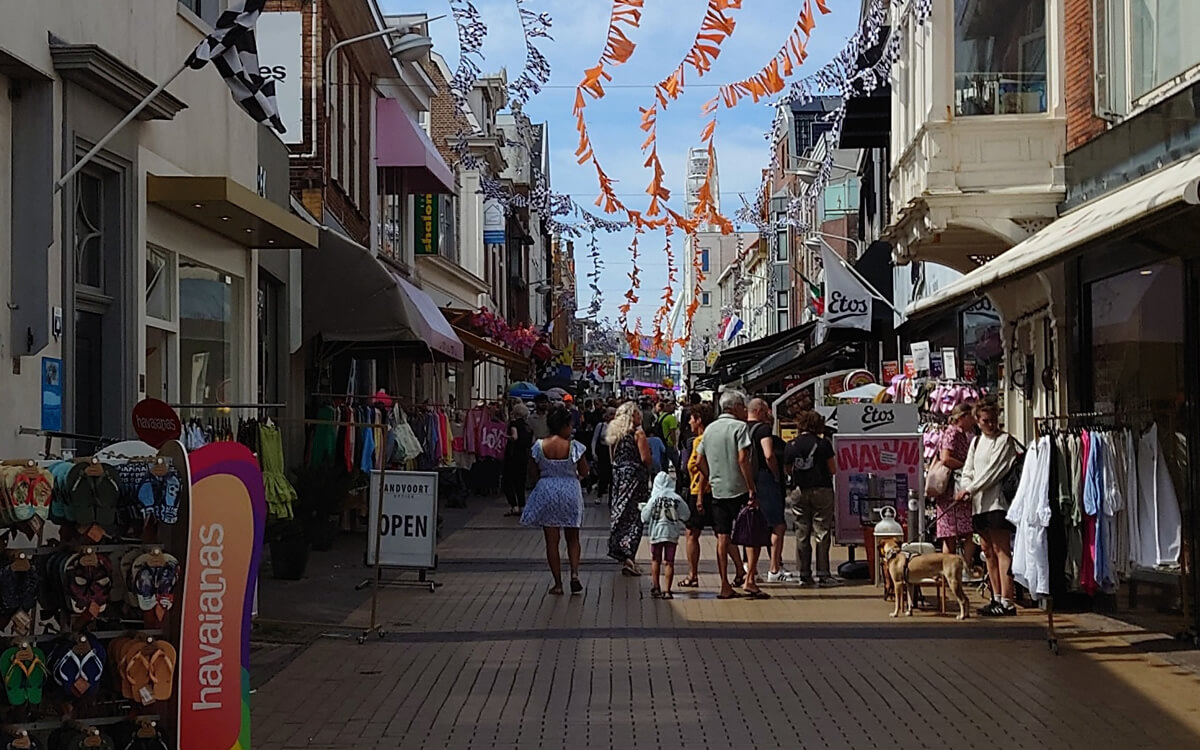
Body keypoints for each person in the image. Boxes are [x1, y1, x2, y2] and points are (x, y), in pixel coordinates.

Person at [695, 390, 769, 600]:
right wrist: (751, 487)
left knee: (723, 537)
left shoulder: (709, 430)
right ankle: (750, 580)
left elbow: (699, 461)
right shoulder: (739, 427)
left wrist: (712, 477)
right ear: (735, 408)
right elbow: (742, 458)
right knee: (752, 533)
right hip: (740, 490)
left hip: (718, 491)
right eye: (743, 407)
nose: (745, 410)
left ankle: (724, 585)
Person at [956, 401, 1021, 616]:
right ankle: (995, 596)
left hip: (997, 503)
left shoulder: (1004, 441)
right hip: (978, 505)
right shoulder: (976, 442)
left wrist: (971, 489)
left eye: (994, 419)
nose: (991, 424)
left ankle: (1007, 600)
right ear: (977, 420)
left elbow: (994, 472)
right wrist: (966, 487)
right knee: (986, 550)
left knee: (1002, 549)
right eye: (985, 420)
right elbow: (968, 469)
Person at [520, 405, 589, 595]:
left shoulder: (539, 446)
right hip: (570, 490)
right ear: (565, 425)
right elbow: (585, 471)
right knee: (573, 538)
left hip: (547, 490)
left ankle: (557, 584)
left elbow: (532, 473)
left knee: (552, 541)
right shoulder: (575, 447)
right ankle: (574, 574)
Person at [679, 403, 743, 589]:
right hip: (716, 491)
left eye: (692, 418)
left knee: (693, 533)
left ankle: (693, 575)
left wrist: (699, 495)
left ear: (699, 420)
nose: (689, 422)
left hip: (701, 492)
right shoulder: (709, 437)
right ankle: (739, 570)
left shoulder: (701, 440)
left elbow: (701, 468)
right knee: (722, 533)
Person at [784, 411, 839, 586]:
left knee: (802, 532)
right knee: (822, 532)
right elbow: (833, 469)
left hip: (799, 491)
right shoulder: (823, 444)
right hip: (822, 490)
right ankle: (823, 573)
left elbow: (787, 469)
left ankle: (804, 573)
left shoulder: (791, 444)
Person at [748, 398, 798, 583]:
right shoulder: (763, 430)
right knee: (778, 524)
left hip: (746, 480)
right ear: (760, 411)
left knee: (752, 524)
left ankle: (749, 569)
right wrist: (777, 474)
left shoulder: (740, 428)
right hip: (765, 480)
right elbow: (769, 455)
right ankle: (774, 568)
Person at [607, 402, 653, 575]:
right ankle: (629, 557)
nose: (640, 417)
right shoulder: (638, 434)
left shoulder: (615, 434)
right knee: (635, 516)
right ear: (631, 416)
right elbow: (645, 458)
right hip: (635, 477)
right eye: (637, 414)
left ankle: (620, 550)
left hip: (619, 476)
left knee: (620, 512)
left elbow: (612, 458)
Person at [934, 403, 978, 563]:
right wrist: (966, 465)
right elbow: (946, 458)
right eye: (971, 416)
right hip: (953, 488)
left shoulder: (965, 434)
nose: (974, 420)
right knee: (953, 533)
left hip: (958, 486)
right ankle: (954, 568)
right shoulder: (953, 433)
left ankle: (960, 566)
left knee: (964, 532)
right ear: (963, 417)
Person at [640, 471, 690, 599]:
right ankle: (667, 590)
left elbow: (644, 517)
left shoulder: (654, 499)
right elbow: (686, 514)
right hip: (671, 535)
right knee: (669, 562)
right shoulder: (676, 498)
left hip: (656, 534)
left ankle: (656, 587)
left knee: (655, 560)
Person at [503, 402, 534, 517]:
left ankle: (514, 506)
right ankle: (522, 505)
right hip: (524, 455)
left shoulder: (513, 424)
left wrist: (506, 437)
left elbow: (515, 437)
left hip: (512, 455)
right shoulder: (527, 426)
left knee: (508, 481)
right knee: (520, 482)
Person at [591, 407, 616, 501]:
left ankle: (612, 497)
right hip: (603, 451)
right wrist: (593, 452)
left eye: (613, 414)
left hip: (613, 451)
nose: (611, 416)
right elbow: (594, 439)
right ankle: (600, 494)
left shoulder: (616, 426)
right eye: (610, 413)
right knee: (603, 474)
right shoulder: (601, 426)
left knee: (612, 474)